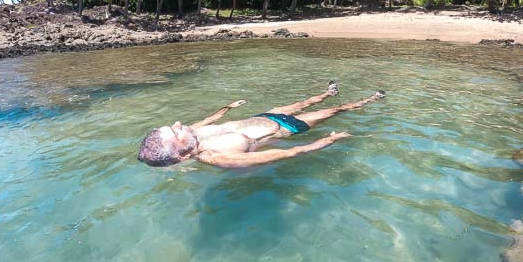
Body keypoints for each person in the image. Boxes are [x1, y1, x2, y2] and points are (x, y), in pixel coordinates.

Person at [137, 81, 385, 169]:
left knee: (305, 101)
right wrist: (326, 141)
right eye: (174, 131)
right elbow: (281, 155)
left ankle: (327, 92)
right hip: (288, 128)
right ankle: (370, 100)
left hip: (267, 115)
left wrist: (229, 107)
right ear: (181, 154)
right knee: (336, 111)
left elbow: (211, 119)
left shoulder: (194, 133)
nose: (179, 123)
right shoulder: (220, 157)